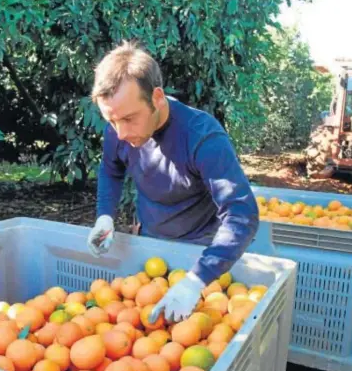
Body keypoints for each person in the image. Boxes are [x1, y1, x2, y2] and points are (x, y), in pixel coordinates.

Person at [86, 41, 259, 323]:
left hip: (201, 249)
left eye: (129, 119)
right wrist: (105, 216)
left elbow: (242, 215)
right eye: (112, 120)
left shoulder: (202, 137)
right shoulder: (119, 129)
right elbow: (111, 169)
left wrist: (197, 279)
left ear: (156, 97)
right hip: (151, 242)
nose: (120, 133)